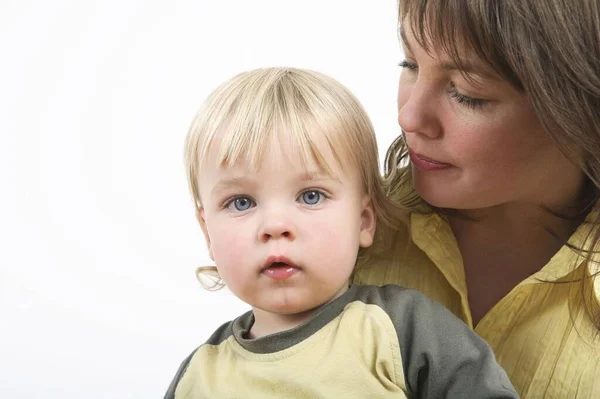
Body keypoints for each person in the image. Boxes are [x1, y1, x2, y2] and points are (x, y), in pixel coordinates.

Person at [164, 67, 518, 398]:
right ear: (207, 232)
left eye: (310, 196)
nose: (275, 226)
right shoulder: (199, 376)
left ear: (364, 220)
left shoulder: (403, 329)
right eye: (241, 202)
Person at [352, 1, 600, 397]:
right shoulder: (343, 234)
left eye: (466, 93)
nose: (409, 117)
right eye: (410, 64)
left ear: (580, 109)